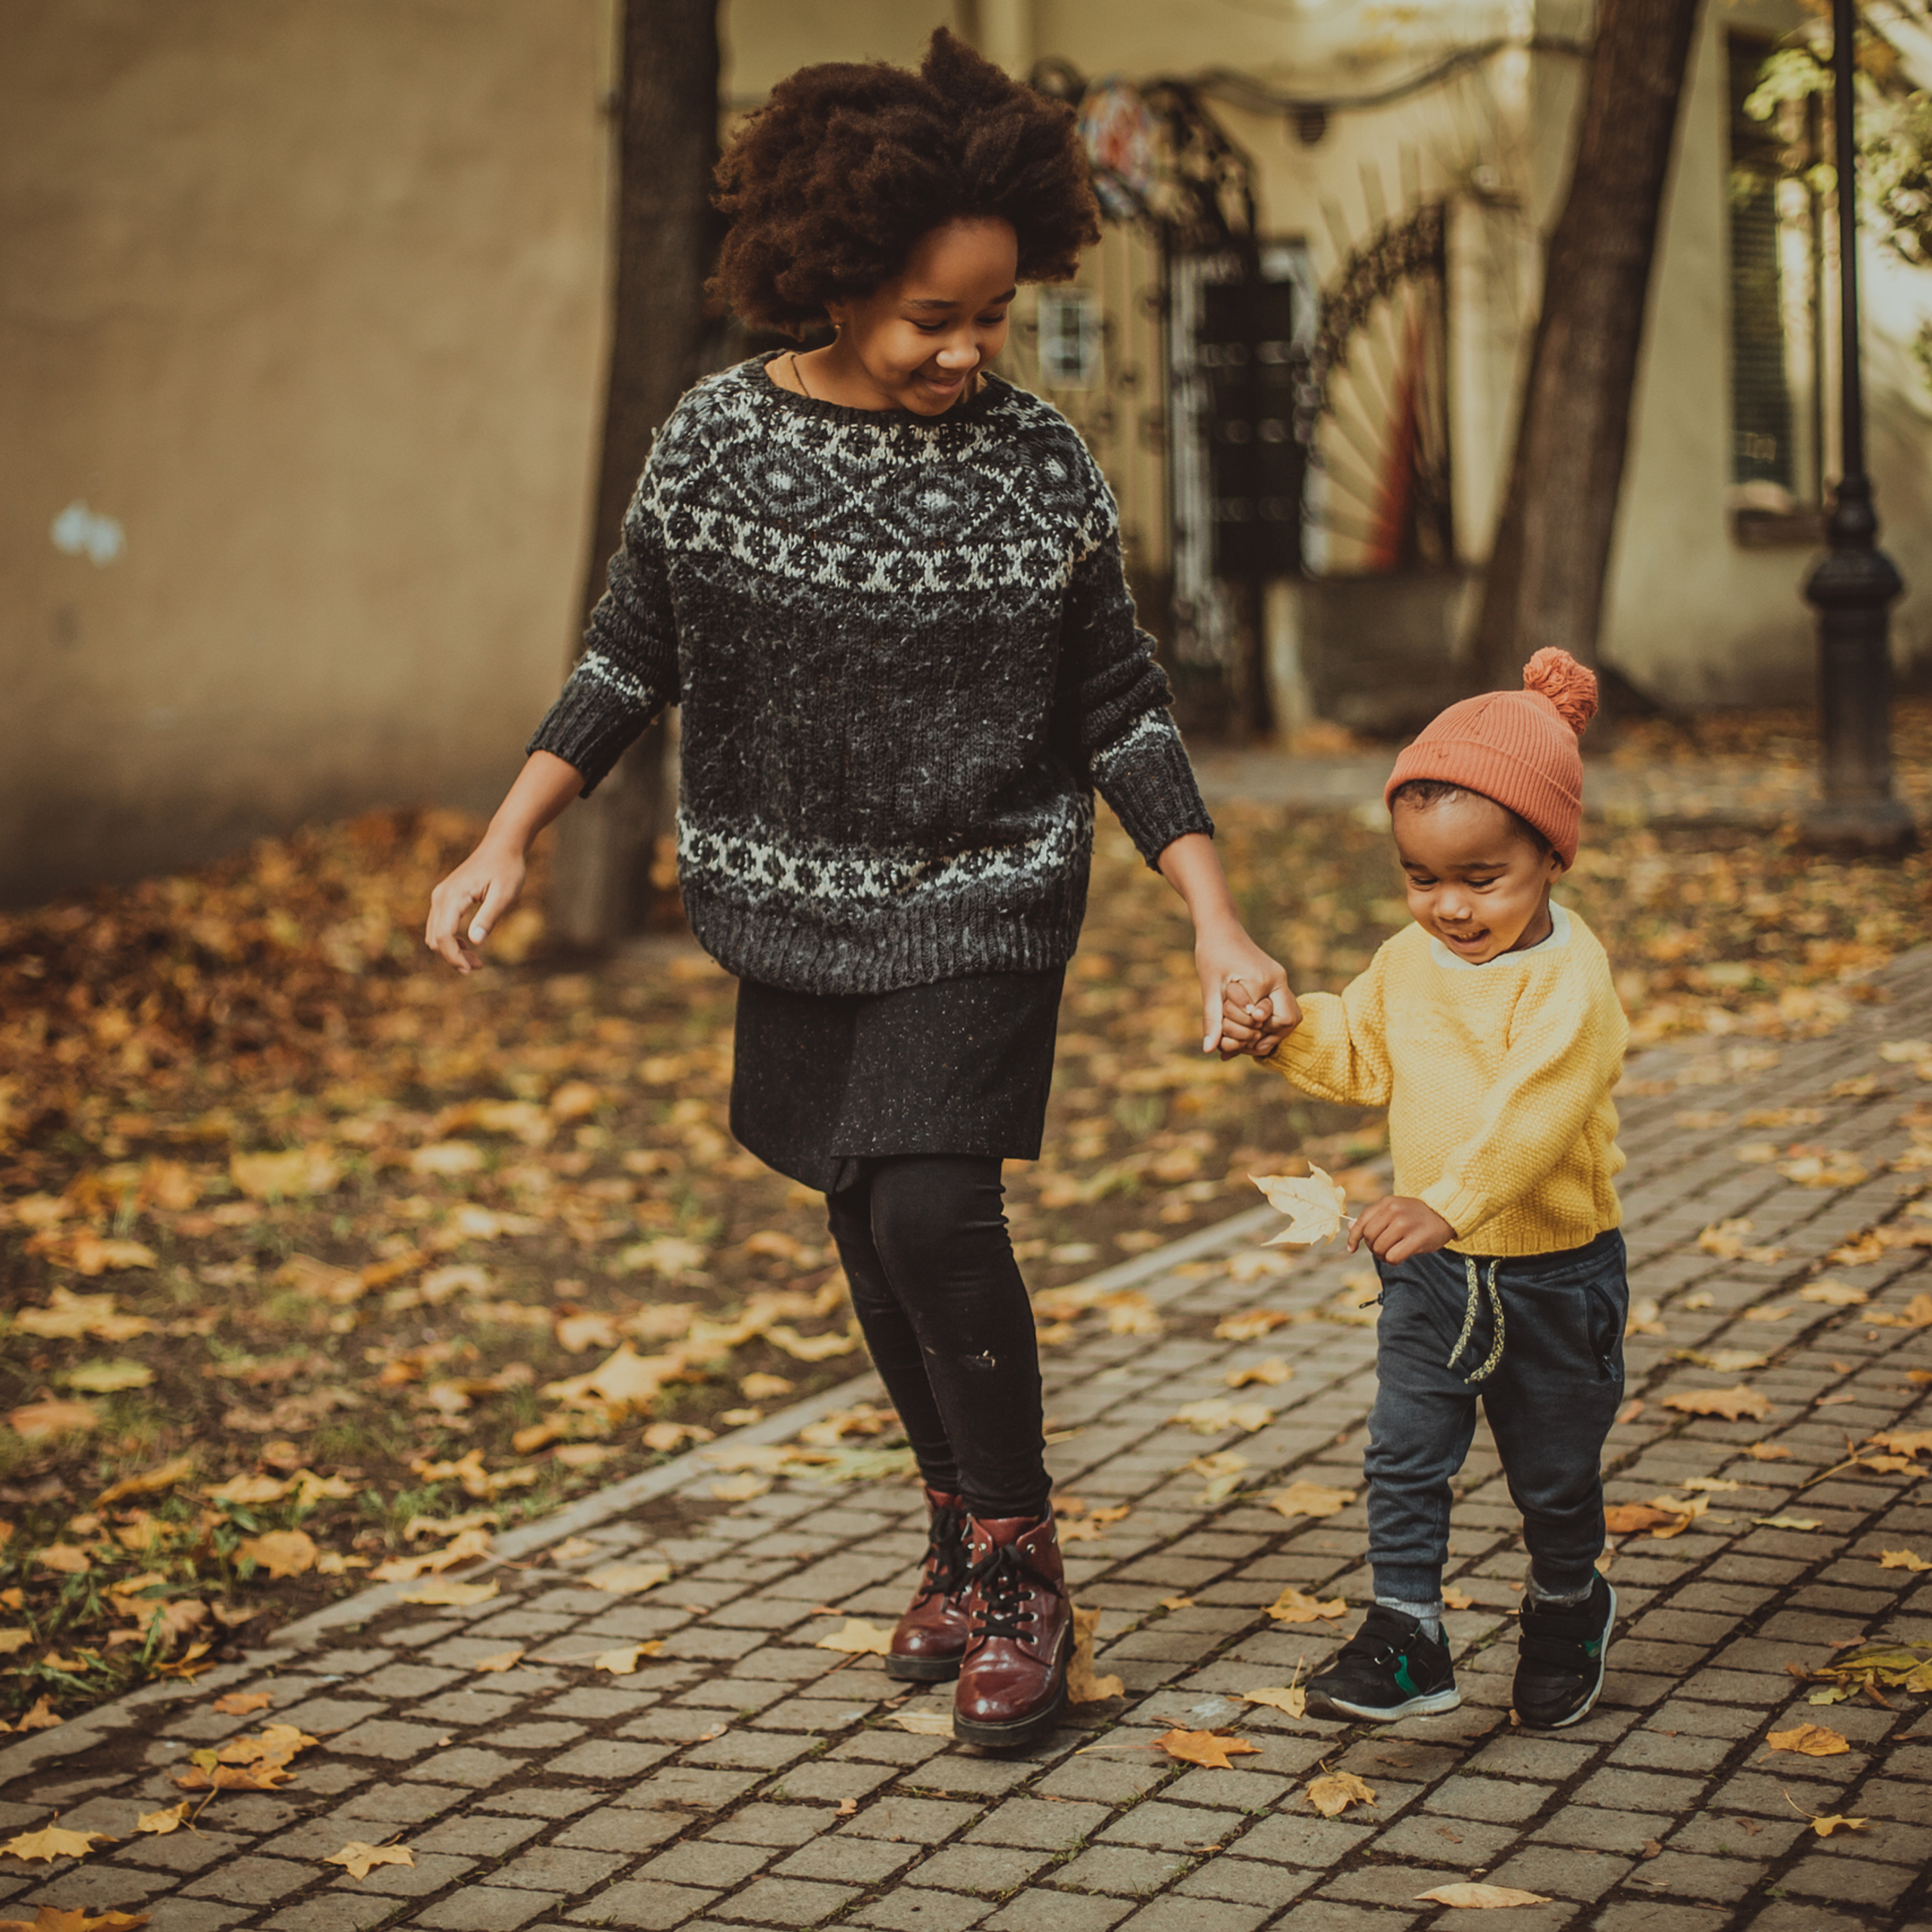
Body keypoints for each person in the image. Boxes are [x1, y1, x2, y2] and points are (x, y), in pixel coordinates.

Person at [424, 28, 1294, 1752]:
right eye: (930, 319)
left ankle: (1023, 1567)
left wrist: (1213, 907)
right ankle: (955, 1536)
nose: (969, 351)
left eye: (992, 315)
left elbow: (1116, 701)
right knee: (862, 1223)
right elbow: (628, 652)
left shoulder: (1040, 464)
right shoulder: (714, 445)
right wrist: (509, 829)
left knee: (925, 1211)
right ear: (828, 279)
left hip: (986, 889)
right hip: (790, 901)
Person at [1219, 648, 1629, 1729]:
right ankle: (1407, 1633)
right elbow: (1361, 1051)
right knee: (1404, 1453)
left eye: (1479, 879)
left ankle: (1567, 1601)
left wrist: (1450, 1197)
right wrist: (1282, 1030)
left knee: (1552, 1476)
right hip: (1436, 1274)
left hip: (1553, 1274)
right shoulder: (1409, 962)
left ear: (1551, 855)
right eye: (1420, 878)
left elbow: (1533, 1115)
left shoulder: (1572, 981)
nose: (1446, 907)